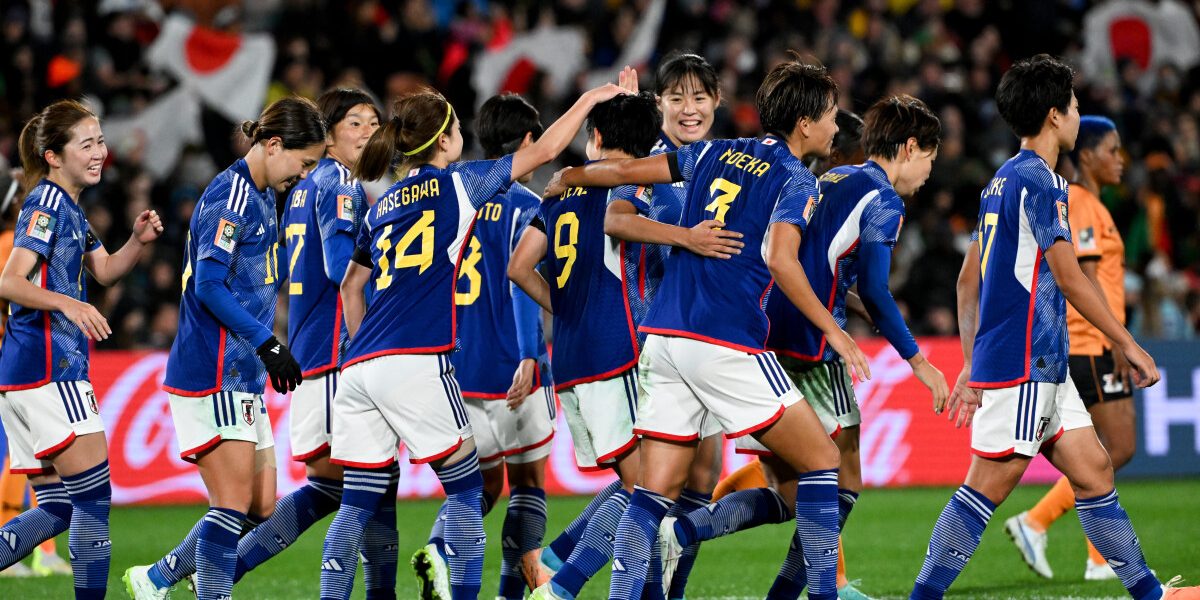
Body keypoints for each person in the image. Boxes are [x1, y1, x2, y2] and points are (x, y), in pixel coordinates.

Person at [542, 57, 872, 600]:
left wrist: (573, 175)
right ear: (807, 123)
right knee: (823, 462)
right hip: (726, 341)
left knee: (652, 494)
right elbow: (785, 263)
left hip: (664, 343)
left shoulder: (713, 153)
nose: (837, 127)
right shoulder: (796, 180)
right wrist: (834, 332)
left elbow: (623, 172)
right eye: (832, 116)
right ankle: (822, 595)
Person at [318, 79, 627, 600]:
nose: (462, 135)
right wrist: (591, 100)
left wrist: (358, 347)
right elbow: (547, 150)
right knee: (466, 491)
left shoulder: (382, 202)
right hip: (416, 358)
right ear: (443, 141)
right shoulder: (460, 183)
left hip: (360, 365)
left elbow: (351, 285)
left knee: (356, 504)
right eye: (456, 128)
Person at [909, 54, 1197, 600]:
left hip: (1042, 364)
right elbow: (1070, 277)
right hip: (1026, 362)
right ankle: (923, 596)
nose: (1077, 113)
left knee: (1094, 473)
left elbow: (967, 281)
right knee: (984, 489)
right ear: (1053, 115)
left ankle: (1150, 594)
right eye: (1074, 104)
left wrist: (972, 359)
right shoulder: (1042, 183)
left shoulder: (999, 181)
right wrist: (1127, 342)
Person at [518, 57, 741, 600]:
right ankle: (577, 579)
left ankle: (566, 557)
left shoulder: (712, 161)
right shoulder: (645, 166)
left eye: (699, 98)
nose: (689, 109)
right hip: (648, 340)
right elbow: (609, 196)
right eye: (676, 99)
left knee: (696, 481)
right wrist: (574, 172)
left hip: (698, 329)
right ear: (659, 106)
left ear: (717, 101)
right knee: (657, 484)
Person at [124, 96, 325, 600]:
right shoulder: (231, 195)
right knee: (232, 504)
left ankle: (156, 579)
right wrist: (268, 344)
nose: (302, 176)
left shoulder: (262, 197)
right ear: (274, 145)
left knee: (261, 503)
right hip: (212, 367)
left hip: (241, 372)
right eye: (303, 164)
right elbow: (208, 286)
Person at [227, 88, 400, 597]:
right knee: (362, 489)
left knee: (342, 488)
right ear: (327, 135)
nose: (369, 132)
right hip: (336, 353)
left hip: (311, 351)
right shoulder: (341, 184)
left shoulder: (302, 185)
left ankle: (193, 571)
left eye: (374, 122)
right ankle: (200, 570)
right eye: (355, 123)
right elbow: (341, 270)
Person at [0, 99, 163, 598]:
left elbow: (106, 269)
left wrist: (136, 242)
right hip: (51, 370)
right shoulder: (46, 204)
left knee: (58, 507)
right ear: (53, 155)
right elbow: (9, 281)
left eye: (100, 141)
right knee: (93, 501)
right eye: (86, 144)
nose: (100, 153)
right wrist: (67, 305)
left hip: (28, 371)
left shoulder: (68, 206)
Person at [1003, 116, 1139, 582]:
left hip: (1088, 343)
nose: (1119, 160)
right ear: (1087, 155)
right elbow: (1084, 277)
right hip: (1087, 344)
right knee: (1114, 448)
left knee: (1100, 453)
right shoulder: (1076, 201)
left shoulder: (1088, 204)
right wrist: (1119, 339)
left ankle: (1095, 556)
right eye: (1112, 149)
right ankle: (1038, 522)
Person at [445, 92, 557, 600]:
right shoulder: (529, 206)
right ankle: (512, 595)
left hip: (455, 369)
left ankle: (437, 549)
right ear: (530, 142)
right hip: (515, 366)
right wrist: (530, 353)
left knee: (482, 489)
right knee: (528, 485)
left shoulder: (454, 202)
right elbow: (521, 281)